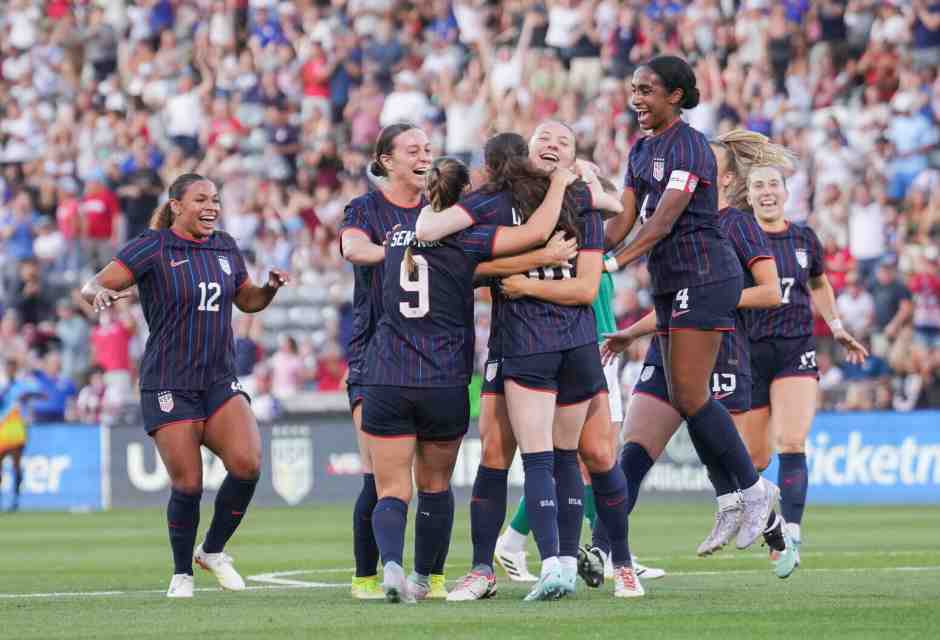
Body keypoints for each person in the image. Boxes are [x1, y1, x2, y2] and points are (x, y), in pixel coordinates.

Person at [364, 155, 574, 602]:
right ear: (464, 198)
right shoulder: (469, 239)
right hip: (442, 378)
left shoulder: (395, 238)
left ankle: (393, 567)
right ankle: (423, 578)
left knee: (392, 488)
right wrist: (547, 251)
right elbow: (522, 241)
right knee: (435, 486)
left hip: (385, 375)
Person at [415, 130, 613, 601]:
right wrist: (532, 260)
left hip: (550, 343)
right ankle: (489, 567)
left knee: (564, 454)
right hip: (516, 341)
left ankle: (573, 560)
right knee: (497, 452)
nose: (550, 149)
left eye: (562, 143)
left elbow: (607, 228)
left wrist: (589, 186)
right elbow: (471, 266)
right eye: (542, 141)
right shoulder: (498, 201)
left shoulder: (579, 199)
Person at [80, 173, 289, 598]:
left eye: (215, 199)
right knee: (189, 484)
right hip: (169, 382)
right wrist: (97, 294)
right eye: (201, 200)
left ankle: (211, 551)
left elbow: (245, 300)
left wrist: (268, 289)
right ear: (176, 205)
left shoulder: (225, 245)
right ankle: (181, 574)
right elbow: (94, 284)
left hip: (218, 378)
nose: (211, 206)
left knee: (247, 464)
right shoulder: (153, 246)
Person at [602, 56, 778, 558]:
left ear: (675, 96)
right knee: (686, 395)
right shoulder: (640, 151)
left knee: (691, 395)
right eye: (633, 87)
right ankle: (736, 496)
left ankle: (753, 490)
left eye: (647, 89)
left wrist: (611, 266)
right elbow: (623, 221)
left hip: (705, 276)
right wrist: (585, 248)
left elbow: (659, 226)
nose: (636, 97)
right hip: (669, 283)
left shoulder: (691, 145)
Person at [741, 162, 868, 566]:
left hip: (795, 348)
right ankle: (772, 520)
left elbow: (817, 281)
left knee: (792, 441)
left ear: (785, 191)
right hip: (749, 351)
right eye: (758, 185)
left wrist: (836, 325)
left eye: (773, 184)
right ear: (748, 195)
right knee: (755, 459)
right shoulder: (737, 237)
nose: (766, 191)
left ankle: (791, 534)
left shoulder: (803, 237)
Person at [338, 123, 435, 600]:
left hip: (433, 361)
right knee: (377, 475)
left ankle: (429, 575)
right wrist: (400, 251)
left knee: (428, 480)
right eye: (413, 150)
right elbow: (351, 247)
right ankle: (365, 576)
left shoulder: (440, 211)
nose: (424, 156)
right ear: (387, 160)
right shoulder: (365, 208)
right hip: (373, 356)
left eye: (427, 149)